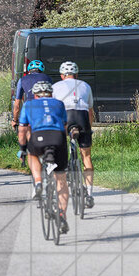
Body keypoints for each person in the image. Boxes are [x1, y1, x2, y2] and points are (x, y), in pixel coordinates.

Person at [18, 81, 70, 233]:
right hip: (58, 137)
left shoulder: (28, 104)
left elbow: (22, 129)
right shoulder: (59, 104)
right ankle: (62, 215)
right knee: (61, 179)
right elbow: (65, 126)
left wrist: (22, 148)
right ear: (51, 94)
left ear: (35, 95)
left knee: (32, 154)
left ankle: (38, 182)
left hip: (38, 136)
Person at [52, 61, 96, 208]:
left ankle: (63, 166)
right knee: (86, 157)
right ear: (76, 74)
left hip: (66, 116)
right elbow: (90, 112)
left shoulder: (56, 86)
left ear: (62, 75)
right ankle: (89, 194)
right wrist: (88, 129)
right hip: (82, 117)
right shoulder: (86, 86)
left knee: (59, 147)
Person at [11, 60, 53, 157]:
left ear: (29, 70)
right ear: (41, 70)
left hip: (30, 108)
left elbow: (17, 104)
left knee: (28, 131)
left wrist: (15, 120)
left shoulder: (22, 80)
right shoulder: (48, 78)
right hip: (46, 108)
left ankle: (31, 154)